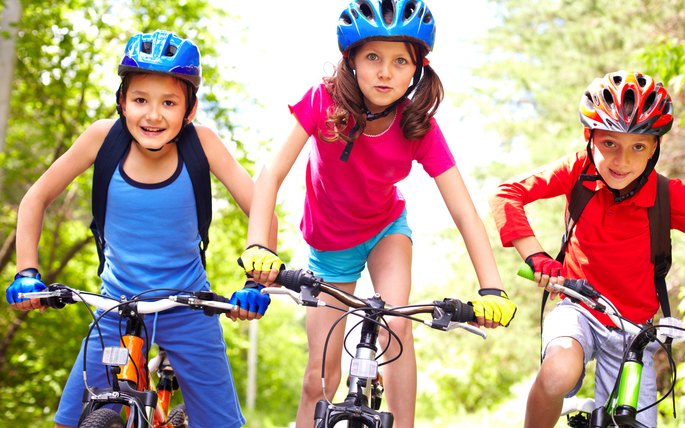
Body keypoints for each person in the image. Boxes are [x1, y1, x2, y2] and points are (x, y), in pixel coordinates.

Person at [238, 1, 517, 426]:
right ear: (351, 59)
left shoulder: (417, 123)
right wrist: (258, 244)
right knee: (319, 378)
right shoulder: (323, 99)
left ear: (417, 68)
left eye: (399, 60)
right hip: (330, 244)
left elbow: (463, 210)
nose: (385, 72)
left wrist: (492, 288)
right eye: (373, 57)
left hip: (386, 230)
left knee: (396, 326)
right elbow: (271, 173)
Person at [5, 30, 272, 428]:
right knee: (68, 421)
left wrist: (255, 283)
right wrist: (28, 273)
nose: (153, 114)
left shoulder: (203, 144)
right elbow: (36, 198)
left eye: (169, 102)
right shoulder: (102, 139)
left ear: (190, 109)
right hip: (116, 307)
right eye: (140, 100)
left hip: (188, 308)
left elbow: (261, 207)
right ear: (122, 103)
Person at [490, 70, 685, 427]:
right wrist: (536, 256)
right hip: (578, 308)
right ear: (590, 137)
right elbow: (507, 194)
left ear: (654, 148)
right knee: (556, 374)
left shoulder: (667, 196)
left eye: (637, 147)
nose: (621, 161)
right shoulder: (577, 171)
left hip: (635, 332)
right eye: (609, 143)